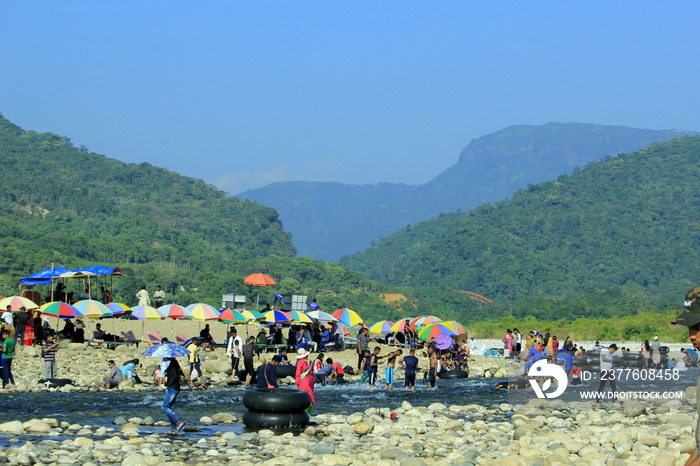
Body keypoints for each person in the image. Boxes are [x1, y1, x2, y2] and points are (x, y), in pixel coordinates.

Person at [161, 356, 186, 434]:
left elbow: (174, 376)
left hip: (172, 388)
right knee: (171, 408)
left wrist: (168, 384)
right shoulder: (175, 363)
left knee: (164, 407)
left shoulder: (173, 363)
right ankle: (173, 429)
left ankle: (178, 422)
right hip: (175, 387)